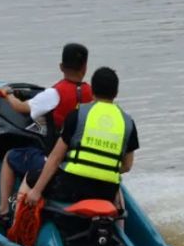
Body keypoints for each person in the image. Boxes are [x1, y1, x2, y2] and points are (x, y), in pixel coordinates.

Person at [0, 43, 93, 225]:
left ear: (61, 67)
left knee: (10, 157)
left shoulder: (54, 94)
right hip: (80, 159)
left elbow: (21, 107)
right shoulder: (91, 94)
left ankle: (3, 211)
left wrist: (8, 95)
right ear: (85, 67)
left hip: (54, 160)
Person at [23, 66, 138, 208]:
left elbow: (55, 158)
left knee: (30, 178)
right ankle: (119, 227)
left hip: (71, 188)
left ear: (92, 91)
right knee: (118, 191)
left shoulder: (77, 115)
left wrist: (36, 191)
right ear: (116, 93)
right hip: (106, 192)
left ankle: (14, 223)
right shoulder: (128, 122)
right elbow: (127, 166)